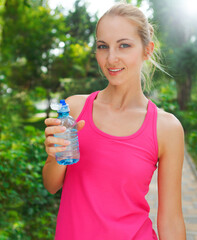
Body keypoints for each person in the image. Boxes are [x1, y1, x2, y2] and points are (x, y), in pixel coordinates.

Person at [43, 2, 186, 240]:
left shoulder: (166, 128)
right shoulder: (75, 110)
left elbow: (170, 220)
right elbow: (51, 184)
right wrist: (57, 155)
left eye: (124, 45)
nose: (111, 58)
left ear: (147, 50)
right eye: (103, 46)